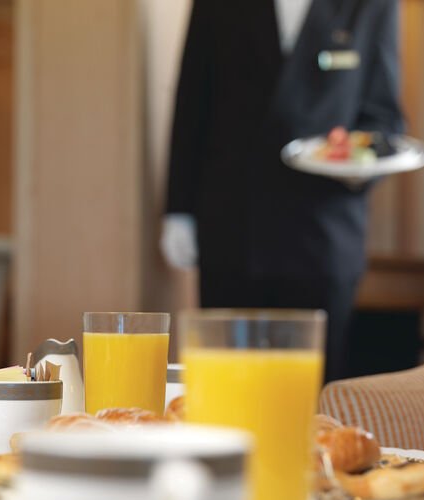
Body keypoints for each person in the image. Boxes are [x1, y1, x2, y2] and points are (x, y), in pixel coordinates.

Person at [161, 0, 405, 381]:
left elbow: (385, 118)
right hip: (233, 225)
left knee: (309, 396)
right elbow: (193, 98)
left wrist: (357, 165)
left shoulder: (373, 4)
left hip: (323, 233)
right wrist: (178, 209)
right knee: (226, 386)